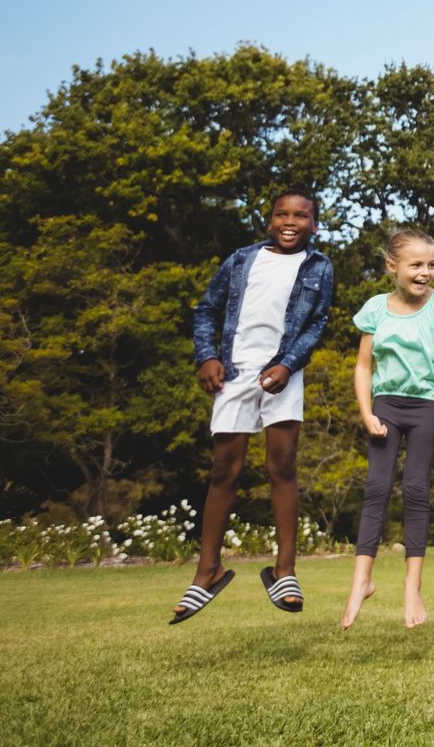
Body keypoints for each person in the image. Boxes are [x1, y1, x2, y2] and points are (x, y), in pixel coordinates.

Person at [171, 186, 334, 623]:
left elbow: (316, 324)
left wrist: (288, 365)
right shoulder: (241, 259)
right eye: (282, 214)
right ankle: (208, 569)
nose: (290, 222)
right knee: (226, 469)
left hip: (283, 373)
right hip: (235, 373)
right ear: (269, 221)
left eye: (301, 216)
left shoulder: (319, 266)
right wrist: (206, 356)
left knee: (281, 465)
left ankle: (285, 569)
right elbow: (206, 309)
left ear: (313, 225)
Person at [339, 227, 434, 630]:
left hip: (426, 405)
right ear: (392, 267)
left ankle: (413, 586)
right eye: (416, 265)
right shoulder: (376, 309)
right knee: (375, 489)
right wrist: (366, 413)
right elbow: (364, 366)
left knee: (415, 489)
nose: (425, 272)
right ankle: (362, 580)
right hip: (385, 406)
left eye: (431, 265)